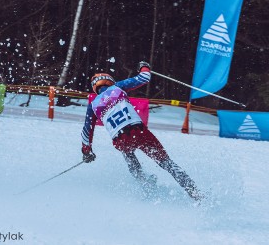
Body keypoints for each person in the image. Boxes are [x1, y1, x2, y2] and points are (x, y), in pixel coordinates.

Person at [80, 61, 202, 201]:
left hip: (120, 139)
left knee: (129, 155)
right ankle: (195, 192)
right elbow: (144, 77)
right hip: (139, 131)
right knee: (166, 163)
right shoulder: (118, 87)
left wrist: (86, 151)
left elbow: (86, 131)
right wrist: (144, 66)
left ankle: (147, 187)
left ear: (96, 87)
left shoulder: (93, 105)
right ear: (110, 81)